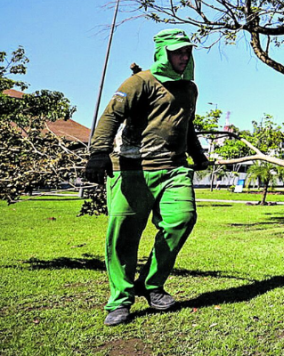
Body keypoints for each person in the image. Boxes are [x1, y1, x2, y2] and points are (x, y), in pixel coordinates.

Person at [83, 29, 209, 326]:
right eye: (178, 52)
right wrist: (98, 152)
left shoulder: (189, 88)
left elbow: (186, 125)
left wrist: (198, 155)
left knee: (182, 219)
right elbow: (111, 115)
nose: (184, 57)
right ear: (163, 53)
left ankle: (151, 285)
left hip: (174, 169)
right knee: (123, 236)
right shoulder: (139, 82)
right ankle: (120, 300)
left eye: (187, 52)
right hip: (132, 169)